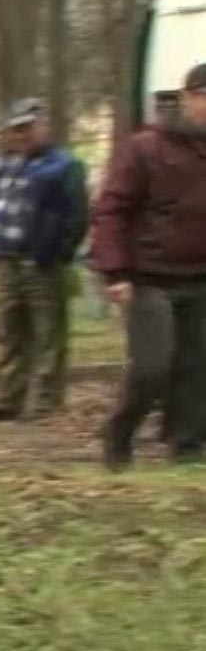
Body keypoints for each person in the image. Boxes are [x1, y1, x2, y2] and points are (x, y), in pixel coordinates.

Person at [91, 62, 206, 469]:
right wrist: (115, 272)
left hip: (200, 278)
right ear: (188, 97)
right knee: (153, 368)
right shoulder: (147, 148)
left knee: (197, 368)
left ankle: (188, 449)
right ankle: (119, 435)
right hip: (149, 278)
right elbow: (112, 210)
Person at [0, 99, 89, 422]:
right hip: (6, 259)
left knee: (49, 333)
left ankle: (47, 402)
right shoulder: (2, 166)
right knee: (11, 332)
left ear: (43, 126)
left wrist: (58, 251)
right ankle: (7, 398)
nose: (21, 135)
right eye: (16, 129)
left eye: (27, 128)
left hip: (42, 262)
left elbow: (77, 216)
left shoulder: (63, 166)